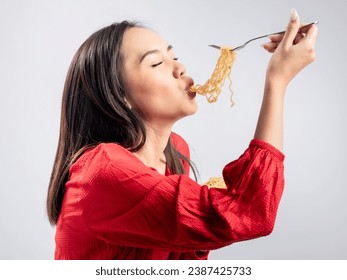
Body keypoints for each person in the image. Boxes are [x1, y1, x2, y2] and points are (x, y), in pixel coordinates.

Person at [47, 9, 317, 260]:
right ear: (119, 95)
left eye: (173, 57)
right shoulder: (103, 172)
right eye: (156, 63)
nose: (180, 68)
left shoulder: (175, 152)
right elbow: (247, 211)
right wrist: (277, 81)